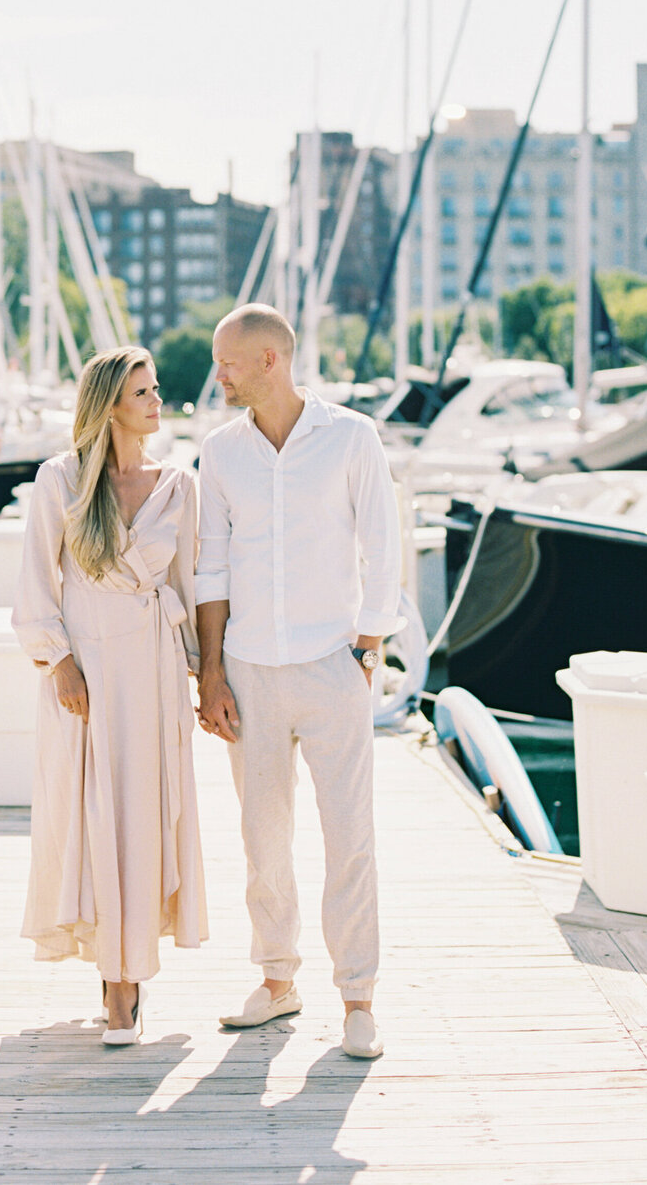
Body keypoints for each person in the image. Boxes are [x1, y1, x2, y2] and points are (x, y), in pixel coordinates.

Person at [194, 304, 402, 1059]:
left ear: (269, 360)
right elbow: (209, 565)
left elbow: (384, 543)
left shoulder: (350, 437)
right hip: (248, 668)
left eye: (228, 360)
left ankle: (358, 999)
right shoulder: (219, 452)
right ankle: (277, 982)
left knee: (350, 835)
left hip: (332, 665)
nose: (218, 373)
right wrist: (210, 668)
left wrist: (369, 640)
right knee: (262, 836)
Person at [13, 346, 206, 1045]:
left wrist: (206, 673)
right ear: (108, 407)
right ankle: (114, 981)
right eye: (141, 393)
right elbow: (37, 583)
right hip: (86, 672)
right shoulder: (59, 481)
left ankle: (127, 983)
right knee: (93, 817)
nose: (157, 402)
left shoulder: (178, 485)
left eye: (157, 389)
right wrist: (58, 661)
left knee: (144, 817)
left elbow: (191, 585)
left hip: (152, 672)